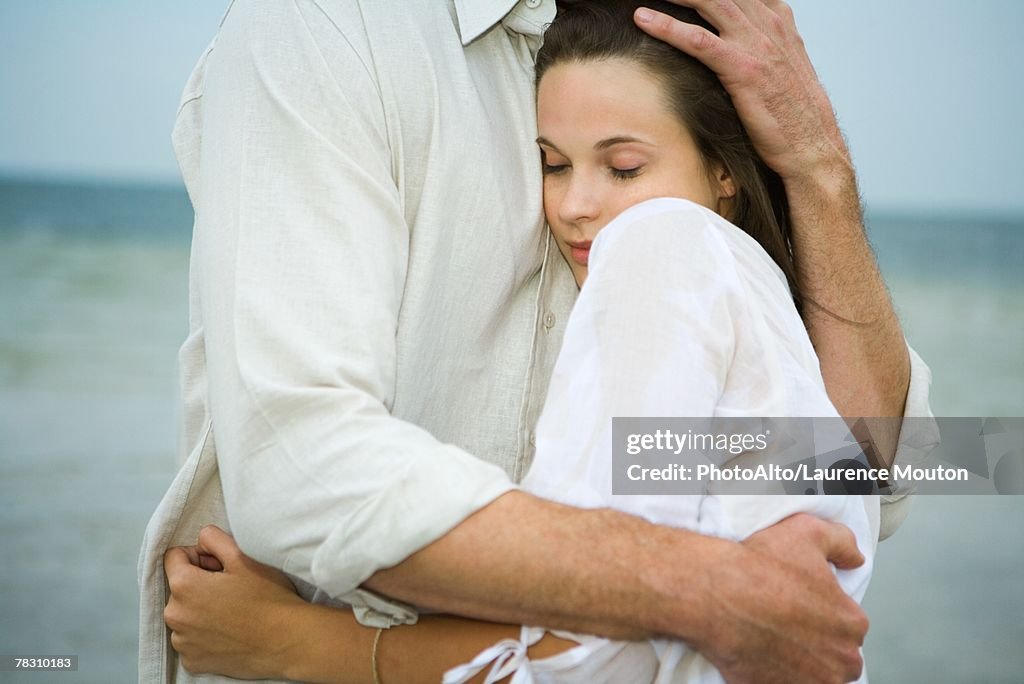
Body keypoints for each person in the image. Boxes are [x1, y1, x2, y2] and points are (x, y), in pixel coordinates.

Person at [143, 1, 936, 682]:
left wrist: (314, 648)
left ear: (726, 171)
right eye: (551, 166)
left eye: (623, 166)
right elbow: (880, 478)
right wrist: (710, 590)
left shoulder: (662, 242)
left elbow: (876, 474)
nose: (576, 205)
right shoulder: (331, 30)